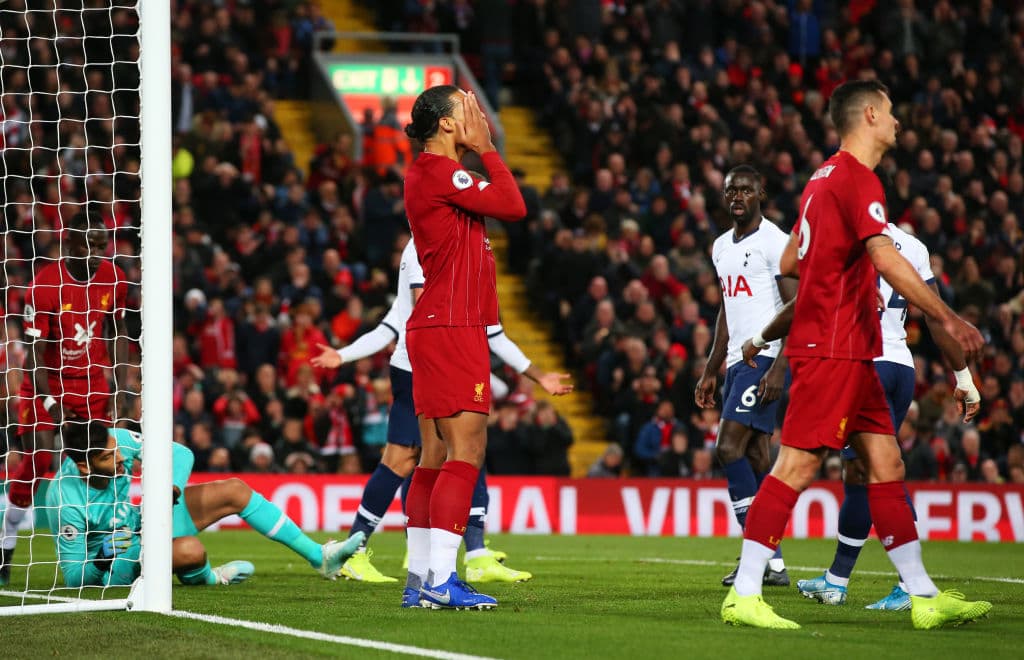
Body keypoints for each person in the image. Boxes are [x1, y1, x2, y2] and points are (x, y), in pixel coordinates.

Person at [720, 80, 991, 630]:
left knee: (885, 464)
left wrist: (834, 269)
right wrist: (946, 316)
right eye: (890, 112)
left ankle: (923, 596)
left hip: (855, 349)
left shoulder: (820, 180)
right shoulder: (856, 177)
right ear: (868, 115)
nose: (896, 121)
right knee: (795, 465)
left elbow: (794, 259)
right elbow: (883, 254)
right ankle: (745, 593)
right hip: (834, 348)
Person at [745, 221, 981, 610]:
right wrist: (963, 377)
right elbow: (936, 320)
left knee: (871, 469)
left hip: (863, 364)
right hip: (901, 369)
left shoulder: (840, 237)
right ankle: (836, 581)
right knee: (861, 473)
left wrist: (759, 338)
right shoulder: (913, 246)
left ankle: (910, 586)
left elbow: (801, 299)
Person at [312, 236, 570, 585]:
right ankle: (365, 551)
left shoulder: (458, 244)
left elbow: (398, 323)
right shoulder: (428, 244)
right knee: (409, 457)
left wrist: (538, 375)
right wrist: (343, 356)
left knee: (460, 449)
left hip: (439, 363)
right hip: (421, 366)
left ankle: (466, 552)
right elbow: (422, 311)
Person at [404, 85, 528, 610]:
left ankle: (418, 580)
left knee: (434, 454)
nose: (476, 115)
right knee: (467, 450)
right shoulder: (441, 172)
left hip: (442, 324)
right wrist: (489, 149)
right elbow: (513, 205)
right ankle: (439, 580)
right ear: (447, 125)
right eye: (466, 109)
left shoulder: (435, 178)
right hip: (452, 326)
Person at [46, 421, 364, 588]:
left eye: (116, 451)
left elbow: (181, 454)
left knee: (235, 490)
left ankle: (320, 557)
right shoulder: (63, 497)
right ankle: (211, 578)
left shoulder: (119, 442)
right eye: (107, 457)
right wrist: (103, 556)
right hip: (120, 559)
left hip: (142, 519)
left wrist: (172, 487)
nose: (119, 459)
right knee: (191, 552)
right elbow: (74, 577)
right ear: (84, 467)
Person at [1, 211, 129, 586]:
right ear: (68, 243)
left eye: (102, 245)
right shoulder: (43, 286)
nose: (97, 253)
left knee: (100, 467)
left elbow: (117, 334)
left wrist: (121, 386)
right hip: (46, 383)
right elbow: (35, 355)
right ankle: (6, 541)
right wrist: (55, 407)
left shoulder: (115, 278)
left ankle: (99, 547)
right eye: (90, 245)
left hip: (91, 382)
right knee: (38, 461)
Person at [694, 164, 797, 588]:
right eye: (731, 190)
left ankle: (754, 559)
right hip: (738, 363)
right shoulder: (721, 247)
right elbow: (726, 311)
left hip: (765, 360)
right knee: (756, 459)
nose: (737, 196)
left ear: (761, 194)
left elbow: (798, 308)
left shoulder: (777, 243)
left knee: (727, 448)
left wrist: (780, 365)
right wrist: (711, 368)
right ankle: (772, 564)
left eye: (746, 190)